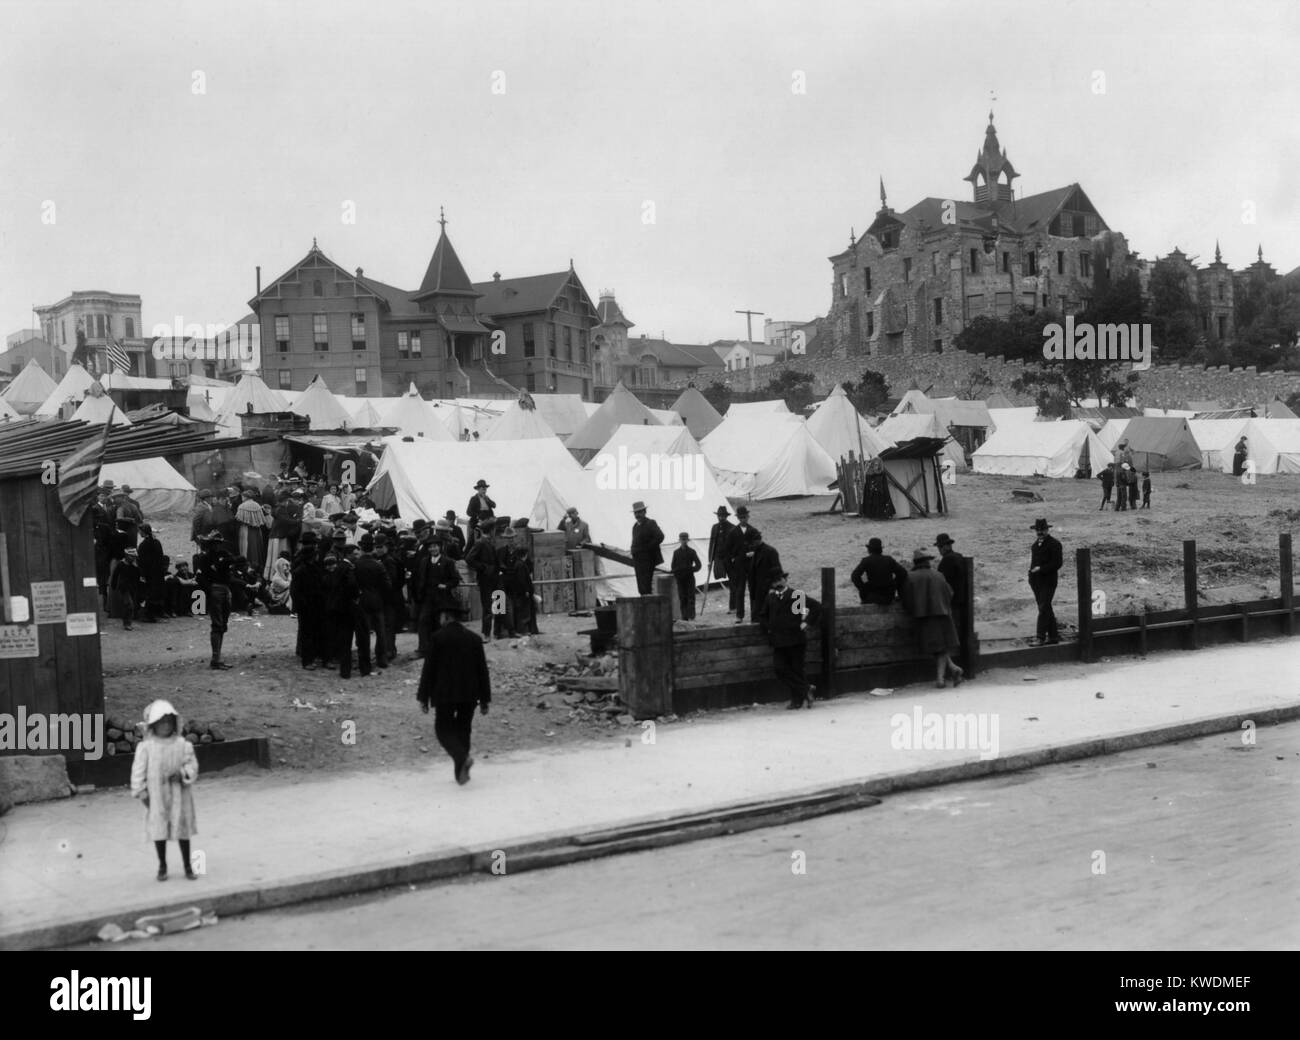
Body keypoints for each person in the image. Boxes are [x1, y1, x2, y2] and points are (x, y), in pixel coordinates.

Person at [418, 602, 491, 786]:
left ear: (447, 617)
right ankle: (460, 772)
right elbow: (482, 670)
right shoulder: (474, 639)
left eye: (441, 616)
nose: (440, 620)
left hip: (444, 693)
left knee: (442, 729)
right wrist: (485, 699)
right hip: (469, 693)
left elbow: (429, 670)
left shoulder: (437, 638)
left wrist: (423, 696)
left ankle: (461, 759)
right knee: (463, 729)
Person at [130, 699, 200, 882]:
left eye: (169, 722)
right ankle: (162, 865)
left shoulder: (183, 745)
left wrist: (183, 774)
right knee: (159, 829)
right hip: (157, 796)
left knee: (182, 828)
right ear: (153, 724)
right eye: (161, 722)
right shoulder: (146, 747)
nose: (165, 726)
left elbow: (192, 765)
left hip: (179, 794)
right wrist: (141, 792)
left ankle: (188, 865)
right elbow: (138, 771)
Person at [901, 548, 964, 688]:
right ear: (927, 561)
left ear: (915, 562)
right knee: (940, 646)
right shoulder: (939, 575)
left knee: (937, 647)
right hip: (942, 614)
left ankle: (941, 679)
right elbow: (950, 593)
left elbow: (907, 599)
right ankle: (954, 669)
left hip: (923, 616)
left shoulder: (910, 577)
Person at [758, 572, 821, 710]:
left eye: (780, 580)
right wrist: (769, 628)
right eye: (775, 581)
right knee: (779, 669)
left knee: (796, 670)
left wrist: (806, 623)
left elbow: (816, 607)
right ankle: (806, 689)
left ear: (785, 580)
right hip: (778, 641)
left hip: (795, 639)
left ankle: (796, 701)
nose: (778, 583)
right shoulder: (770, 597)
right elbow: (762, 616)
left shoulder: (796, 595)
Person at [195, 531, 234, 669]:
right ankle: (215, 659)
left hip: (224, 589)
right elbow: (199, 577)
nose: (217, 546)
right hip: (216, 589)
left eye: (218, 543)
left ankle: (217, 658)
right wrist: (210, 589)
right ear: (211, 544)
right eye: (215, 543)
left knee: (222, 624)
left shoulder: (223, 556)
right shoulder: (205, 558)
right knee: (218, 624)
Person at [353, 534, 391, 671]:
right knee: (380, 631)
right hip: (377, 601)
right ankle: (382, 659)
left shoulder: (356, 565)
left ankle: (364, 660)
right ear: (373, 548)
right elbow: (387, 585)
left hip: (362, 601)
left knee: (363, 633)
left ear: (362, 548)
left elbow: (353, 584)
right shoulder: (378, 565)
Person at [322, 551, 361, 678]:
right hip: (341, 610)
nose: (331, 567)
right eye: (329, 565)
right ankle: (339, 663)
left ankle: (338, 661)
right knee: (341, 637)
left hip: (333, 609)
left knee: (339, 637)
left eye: (332, 564)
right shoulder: (343, 572)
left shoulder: (333, 575)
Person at [292, 535, 327, 669]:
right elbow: (297, 591)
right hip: (307, 605)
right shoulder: (302, 570)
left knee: (309, 631)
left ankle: (308, 655)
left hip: (313, 604)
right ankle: (307, 659)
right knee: (308, 632)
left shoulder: (303, 564)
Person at [465, 522, 504, 641]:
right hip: (486, 579)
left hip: (496, 577)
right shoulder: (480, 542)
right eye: (494, 529)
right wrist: (484, 568)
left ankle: (498, 632)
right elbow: (469, 559)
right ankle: (486, 634)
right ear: (491, 530)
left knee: (499, 603)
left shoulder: (491, 541)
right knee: (487, 607)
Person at [1028, 518, 1062, 646]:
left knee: (1043, 608)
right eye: (1038, 530)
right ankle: (1053, 636)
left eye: (1042, 530)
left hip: (1049, 581)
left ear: (1047, 530)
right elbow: (1032, 565)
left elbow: (1058, 563)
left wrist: (1041, 569)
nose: (1040, 532)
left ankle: (1040, 637)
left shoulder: (1055, 544)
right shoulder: (1034, 546)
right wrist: (1031, 577)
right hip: (1036, 582)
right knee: (1045, 607)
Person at [745, 528, 783, 633]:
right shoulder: (755, 553)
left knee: (767, 619)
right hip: (756, 592)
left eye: (752, 543)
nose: (750, 546)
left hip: (767, 592)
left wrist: (772, 588)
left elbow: (778, 573)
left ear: (757, 540)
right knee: (756, 619)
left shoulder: (770, 552)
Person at [850, 537, 908, 605]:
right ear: (881, 549)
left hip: (872, 596)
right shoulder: (889, 560)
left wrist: (863, 588)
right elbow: (903, 573)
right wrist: (894, 584)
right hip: (888, 596)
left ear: (869, 549)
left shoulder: (866, 561)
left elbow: (854, 576)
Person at [934, 533, 967, 649]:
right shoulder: (959, 556)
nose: (939, 550)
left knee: (950, 630)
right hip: (962, 597)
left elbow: (942, 582)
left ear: (944, 547)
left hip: (951, 600)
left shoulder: (946, 560)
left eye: (939, 548)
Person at [630, 501, 665, 596]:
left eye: (640, 512)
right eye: (636, 513)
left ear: (644, 512)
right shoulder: (635, 527)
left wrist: (647, 548)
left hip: (649, 560)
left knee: (648, 585)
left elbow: (660, 536)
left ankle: (650, 604)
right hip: (638, 561)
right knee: (641, 586)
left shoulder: (650, 523)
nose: (638, 515)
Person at [725, 506, 753, 622]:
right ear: (738, 518)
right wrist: (733, 564)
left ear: (748, 517)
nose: (743, 520)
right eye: (741, 518)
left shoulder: (753, 531)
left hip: (752, 565)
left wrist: (754, 552)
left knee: (753, 590)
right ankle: (739, 615)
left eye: (745, 517)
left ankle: (755, 615)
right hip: (739, 566)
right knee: (740, 590)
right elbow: (728, 551)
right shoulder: (733, 533)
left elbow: (759, 546)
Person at [136, 523, 168, 623]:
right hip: (158, 573)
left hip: (149, 574)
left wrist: (143, 574)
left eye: (140, 531)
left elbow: (141, 562)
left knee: (150, 593)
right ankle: (158, 613)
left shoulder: (143, 545)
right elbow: (161, 558)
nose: (139, 533)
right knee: (157, 592)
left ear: (143, 532)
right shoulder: (156, 542)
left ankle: (149, 615)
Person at [236, 489, 269, 573]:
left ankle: (247, 565)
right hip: (257, 530)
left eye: (242, 496)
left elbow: (239, 519)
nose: (242, 498)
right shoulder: (257, 505)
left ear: (246, 497)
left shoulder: (242, 506)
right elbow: (262, 519)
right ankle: (257, 565)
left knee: (247, 547)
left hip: (246, 530)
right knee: (257, 547)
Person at [670, 532, 702, 620]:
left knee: (691, 597)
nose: (684, 541)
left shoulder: (692, 552)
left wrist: (690, 570)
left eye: (685, 539)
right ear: (679, 540)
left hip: (689, 578)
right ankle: (684, 617)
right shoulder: (676, 553)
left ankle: (691, 616)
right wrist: (677, 573)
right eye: (682, 540)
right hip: (680, 579)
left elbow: (699, 565)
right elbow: (673, 566)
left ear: (688, 540)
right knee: (682, 597)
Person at [110, 547, 141, 630]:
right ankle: (127, 623)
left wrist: (136, 568)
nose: (133, 558)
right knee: (129, 605)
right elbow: (115, 576)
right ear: (127, 556)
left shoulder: (134, 566)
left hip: (132, 587)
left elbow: (138, 576)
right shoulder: (121, 564)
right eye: (132, 556)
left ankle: (128, 622)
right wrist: (113, 585)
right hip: (124, 588)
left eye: (134, 556)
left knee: (130, 605)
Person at [707, 505, 733, 582]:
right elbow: (712, 544)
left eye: (723, 516)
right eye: (719, 516)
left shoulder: (732, 528)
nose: (721, 518)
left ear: (726, 516)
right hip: (718, 558)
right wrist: (710, 561)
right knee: (719, 575)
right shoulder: (715, 527)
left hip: (729, 558)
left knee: (732, 578)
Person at [466, 479, 496, 545]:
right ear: (478, 489)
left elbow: (494, 505)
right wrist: (477, 516)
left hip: (488, 520)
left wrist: (487, 499)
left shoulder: (487, 498)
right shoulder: (474, 499)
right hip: (478, 520)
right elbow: (468, 512)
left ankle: (492, 544)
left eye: (485, 489)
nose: (484, 491)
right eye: (482, 489)